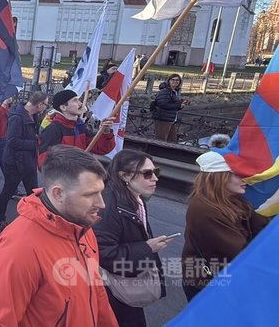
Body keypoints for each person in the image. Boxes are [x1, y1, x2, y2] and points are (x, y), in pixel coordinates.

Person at [0, 145, 117, 326]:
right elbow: (0, 322)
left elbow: (97, 294)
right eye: (90, 194)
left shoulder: (84, 228)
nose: (101, 204)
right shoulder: (20, 247)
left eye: (101, 192)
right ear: (58, 193)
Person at [94, 150, 169, 327]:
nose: (155, 178)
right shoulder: (110, 206)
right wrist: (147, 248)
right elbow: (103, 253)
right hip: (112, 289)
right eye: (147, 173)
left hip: (124, 280)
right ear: (125, 176)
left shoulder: (134, 199)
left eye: (155, 172)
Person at [181, 151, 269, 301]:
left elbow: (259, 226)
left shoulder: (232, 200)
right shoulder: (205, 210)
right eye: (238, 174)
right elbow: (241, 252)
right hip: (207, 284)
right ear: (219, 177)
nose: (245, 179)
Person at [0, 91, 49, 229]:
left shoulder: (34, 115)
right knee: (8, 190)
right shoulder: (17, 118)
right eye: (45, 104)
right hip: (14, 162)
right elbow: (12, 142)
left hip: (28, 162)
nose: (46, 106)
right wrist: (35, 144)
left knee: (33, 192)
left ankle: (33, 220)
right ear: (39, 105)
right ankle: (0, 218)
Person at [38, 89, 116, 166]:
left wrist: (105, 132)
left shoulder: (80, 127)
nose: (81, 103)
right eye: (75, 100)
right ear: (63, 107)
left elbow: (102, 148)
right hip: (64, 177)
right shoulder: (53, 130)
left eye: (78, 100)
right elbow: (44, 162)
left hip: (80, 174)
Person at [152, 74, 188, 142]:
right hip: (163, 119)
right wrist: (178, 105)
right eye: (173, 80)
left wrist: (181, 105)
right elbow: (163, 104)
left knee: (172, 141)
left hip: (171, 119)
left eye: (177, 80)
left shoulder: (174, 91)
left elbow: (172, 105)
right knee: (161, 140)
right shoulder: (165, 91)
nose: (175, 81)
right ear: (169, 81)